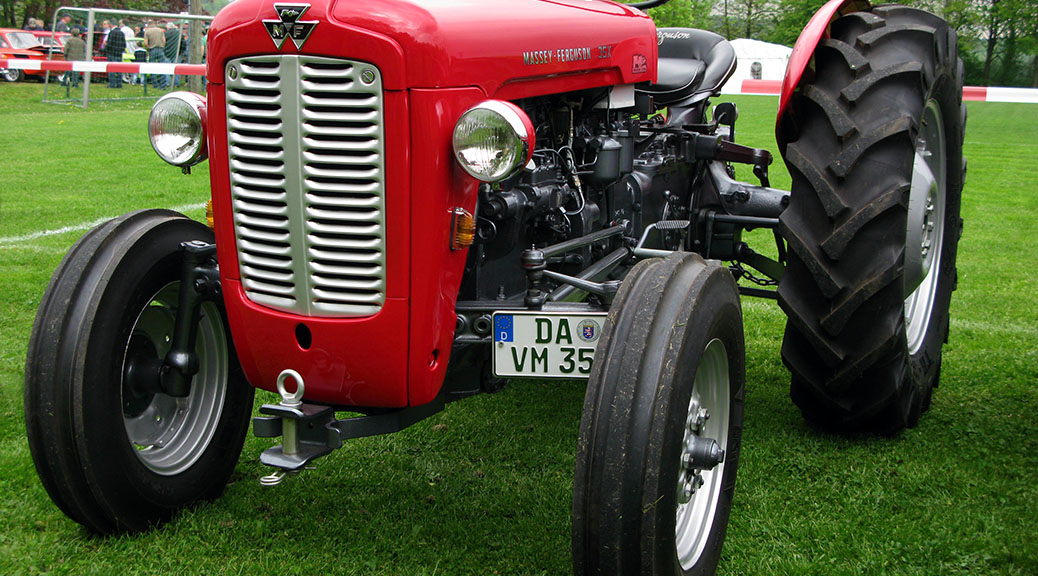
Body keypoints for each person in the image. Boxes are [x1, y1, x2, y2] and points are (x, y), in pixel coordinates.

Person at [143, 21, 168, 89]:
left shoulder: (147, 31)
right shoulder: (160, 31)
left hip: (152, 50)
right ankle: (163, 85)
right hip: (160, 49)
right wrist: (162, 47)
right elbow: (164, 41)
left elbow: (145, 43)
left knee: (152, 68)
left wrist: (148, 48)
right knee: (162, 67)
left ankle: (155, 85)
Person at [164, 22, 180, 87]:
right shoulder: (178, 33)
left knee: (167, 69)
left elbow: (164, 42)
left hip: (167, 53)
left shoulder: (165, 34)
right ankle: (176, 83)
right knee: (177, 69)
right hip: (176, 53)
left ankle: (167, 82)